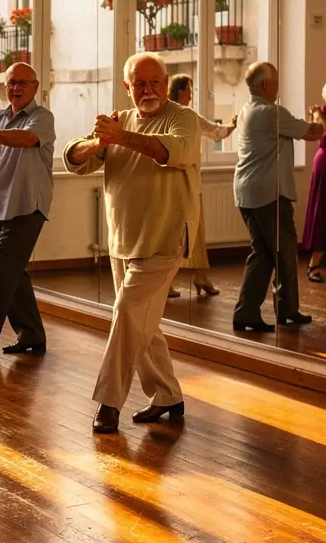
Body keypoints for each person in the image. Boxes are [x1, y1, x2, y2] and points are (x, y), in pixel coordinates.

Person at [63, 53, 201, 433]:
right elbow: (72, 158)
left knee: (127, 312)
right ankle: (167, 395)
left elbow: (169, 151)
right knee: (143, 322)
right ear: (127, 87)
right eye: (139, 84)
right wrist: (97, 144)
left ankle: (109, 403)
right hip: (124, 240)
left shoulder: (182, 118)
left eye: (155, 82)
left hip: (166, 239)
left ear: (166, 81)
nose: (148, 90)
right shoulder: (119, 120)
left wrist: (120, 137)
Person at [0, 62, 55, 360]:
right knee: (14, 273)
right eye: (11, 83)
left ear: (35, 87)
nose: (16, 88)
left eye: (22, 83)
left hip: (28, 206)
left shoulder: (42, 118)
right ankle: (31, 333)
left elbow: (26, 140)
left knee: (1, 267)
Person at [233, 62, 324, 332]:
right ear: (265, 85)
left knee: (264, 252)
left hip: (249, 191)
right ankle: (278, 310)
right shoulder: (270, 113)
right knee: (282, 252)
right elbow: (313, 133)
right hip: (267, 192)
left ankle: (261, 311)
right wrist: (318, 116)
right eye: (276, 80)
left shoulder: (248, 109)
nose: (279, 85)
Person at [166, 74, 237, 298]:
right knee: (173, 233)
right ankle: (169, 281)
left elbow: (215, 132)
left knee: (195, 228)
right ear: (179, 91)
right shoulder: (174, 115)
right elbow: (216, 133)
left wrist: (231, 127)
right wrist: (230, 127)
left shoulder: (187, 116)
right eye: (189, 89)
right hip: (175, 182)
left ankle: (200, 276)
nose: (191, 93)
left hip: (190, 180)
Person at [302, 87, 326, 281]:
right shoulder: (322, 111)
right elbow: (313, 133)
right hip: (325, 164)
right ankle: (313, 264)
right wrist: (316, 115)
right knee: (322, 212)